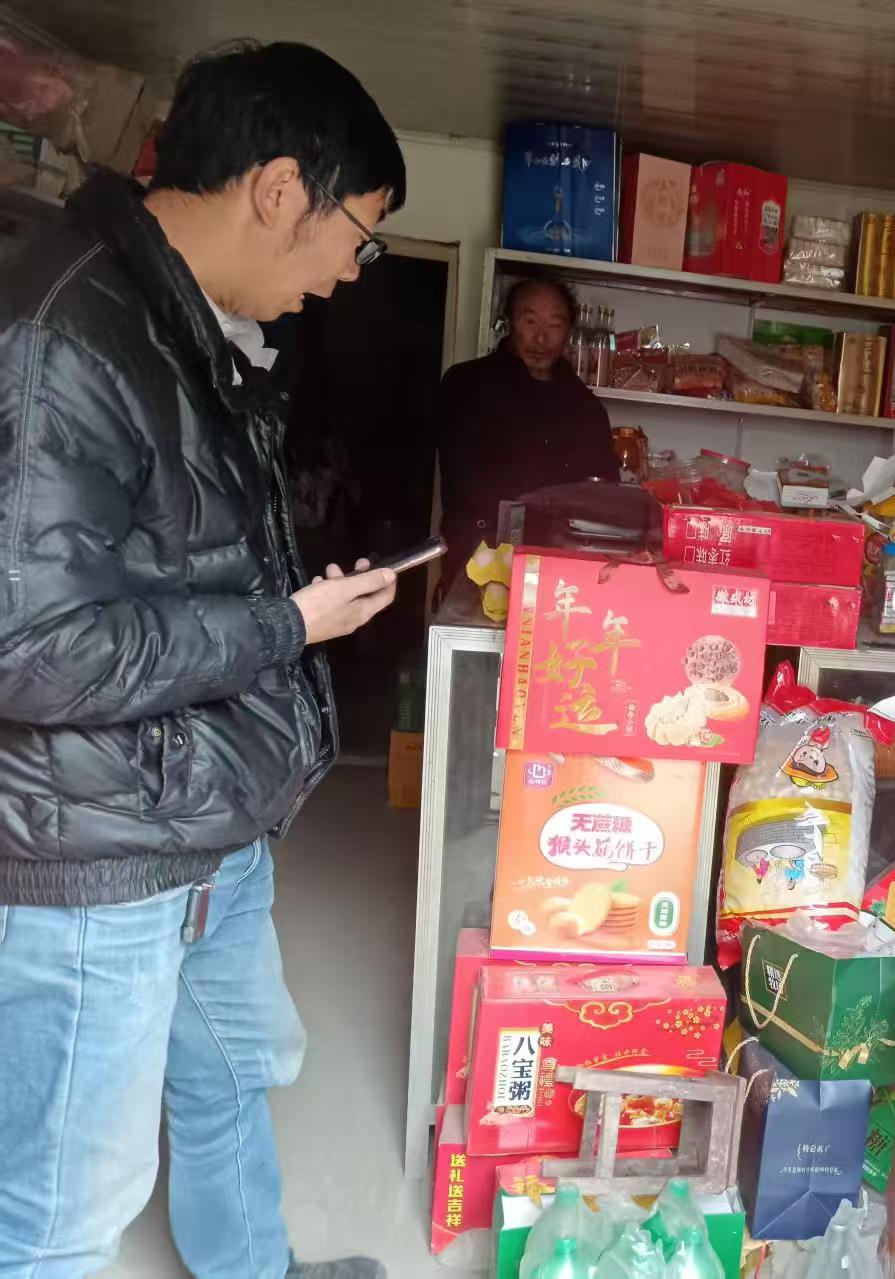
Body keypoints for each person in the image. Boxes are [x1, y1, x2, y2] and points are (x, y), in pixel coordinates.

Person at [0, 41, 406, 1279]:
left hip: (203, 817)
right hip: (101, 851)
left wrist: (294, 609)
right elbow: (33, 649)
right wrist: (290, 626)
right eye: (359, 235)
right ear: (279, 189)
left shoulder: (180, 323)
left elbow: (174, 563)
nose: (346, 273)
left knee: (232, 1071)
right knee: (65, 1208)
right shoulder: (67, 334)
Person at [435, 277, 620, 581]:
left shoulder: (585, 406)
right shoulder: (467, 384)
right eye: (530, 321)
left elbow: (602, 488)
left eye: (554, 325)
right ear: (510, 321)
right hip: (477, 559)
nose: (541, 338)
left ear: (568, 331)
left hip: (557, 567)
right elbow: (462, 476)